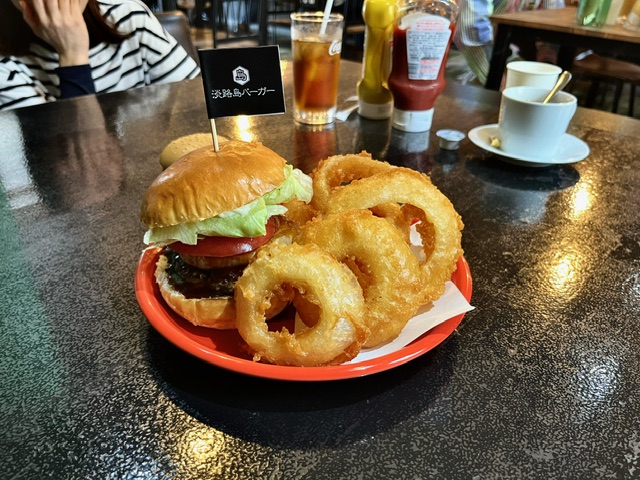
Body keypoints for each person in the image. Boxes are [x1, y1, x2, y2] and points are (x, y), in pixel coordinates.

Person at [0, 0, 200, 111]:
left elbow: (198, 106)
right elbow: (79, 163)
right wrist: (73, 55)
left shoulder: (130, 17)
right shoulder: (5, 68)